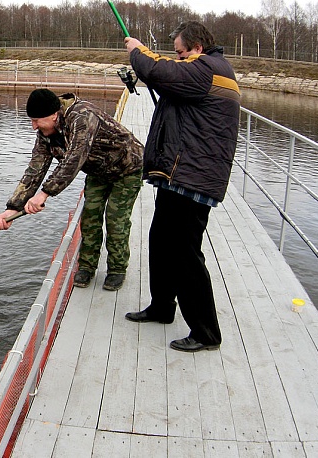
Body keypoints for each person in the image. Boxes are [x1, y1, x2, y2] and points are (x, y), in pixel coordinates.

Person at [122, 21, 241, 352]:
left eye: (180, 51)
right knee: (161, 241)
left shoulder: (207, 69)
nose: (177, 57)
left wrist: (137, 49)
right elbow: (165, 77)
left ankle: (206, 333)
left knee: (185, 254)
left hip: (193, 177)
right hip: (180, 176)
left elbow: (158, 71)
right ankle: (162, 307)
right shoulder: (205, 69)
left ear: (197, 48)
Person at [0, 89, 143, 291]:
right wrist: (13, 207)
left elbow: (74, 158)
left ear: (54, 115)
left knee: (116, 220)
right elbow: (35, 169)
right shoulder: (45, 134)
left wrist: (44, 194)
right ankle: (87, 268)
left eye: (37, 120)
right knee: (90, 218)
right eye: (31, 120)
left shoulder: (82, 116)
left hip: (127, 168)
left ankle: (116, 270)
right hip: (98, 172)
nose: (33, 126)